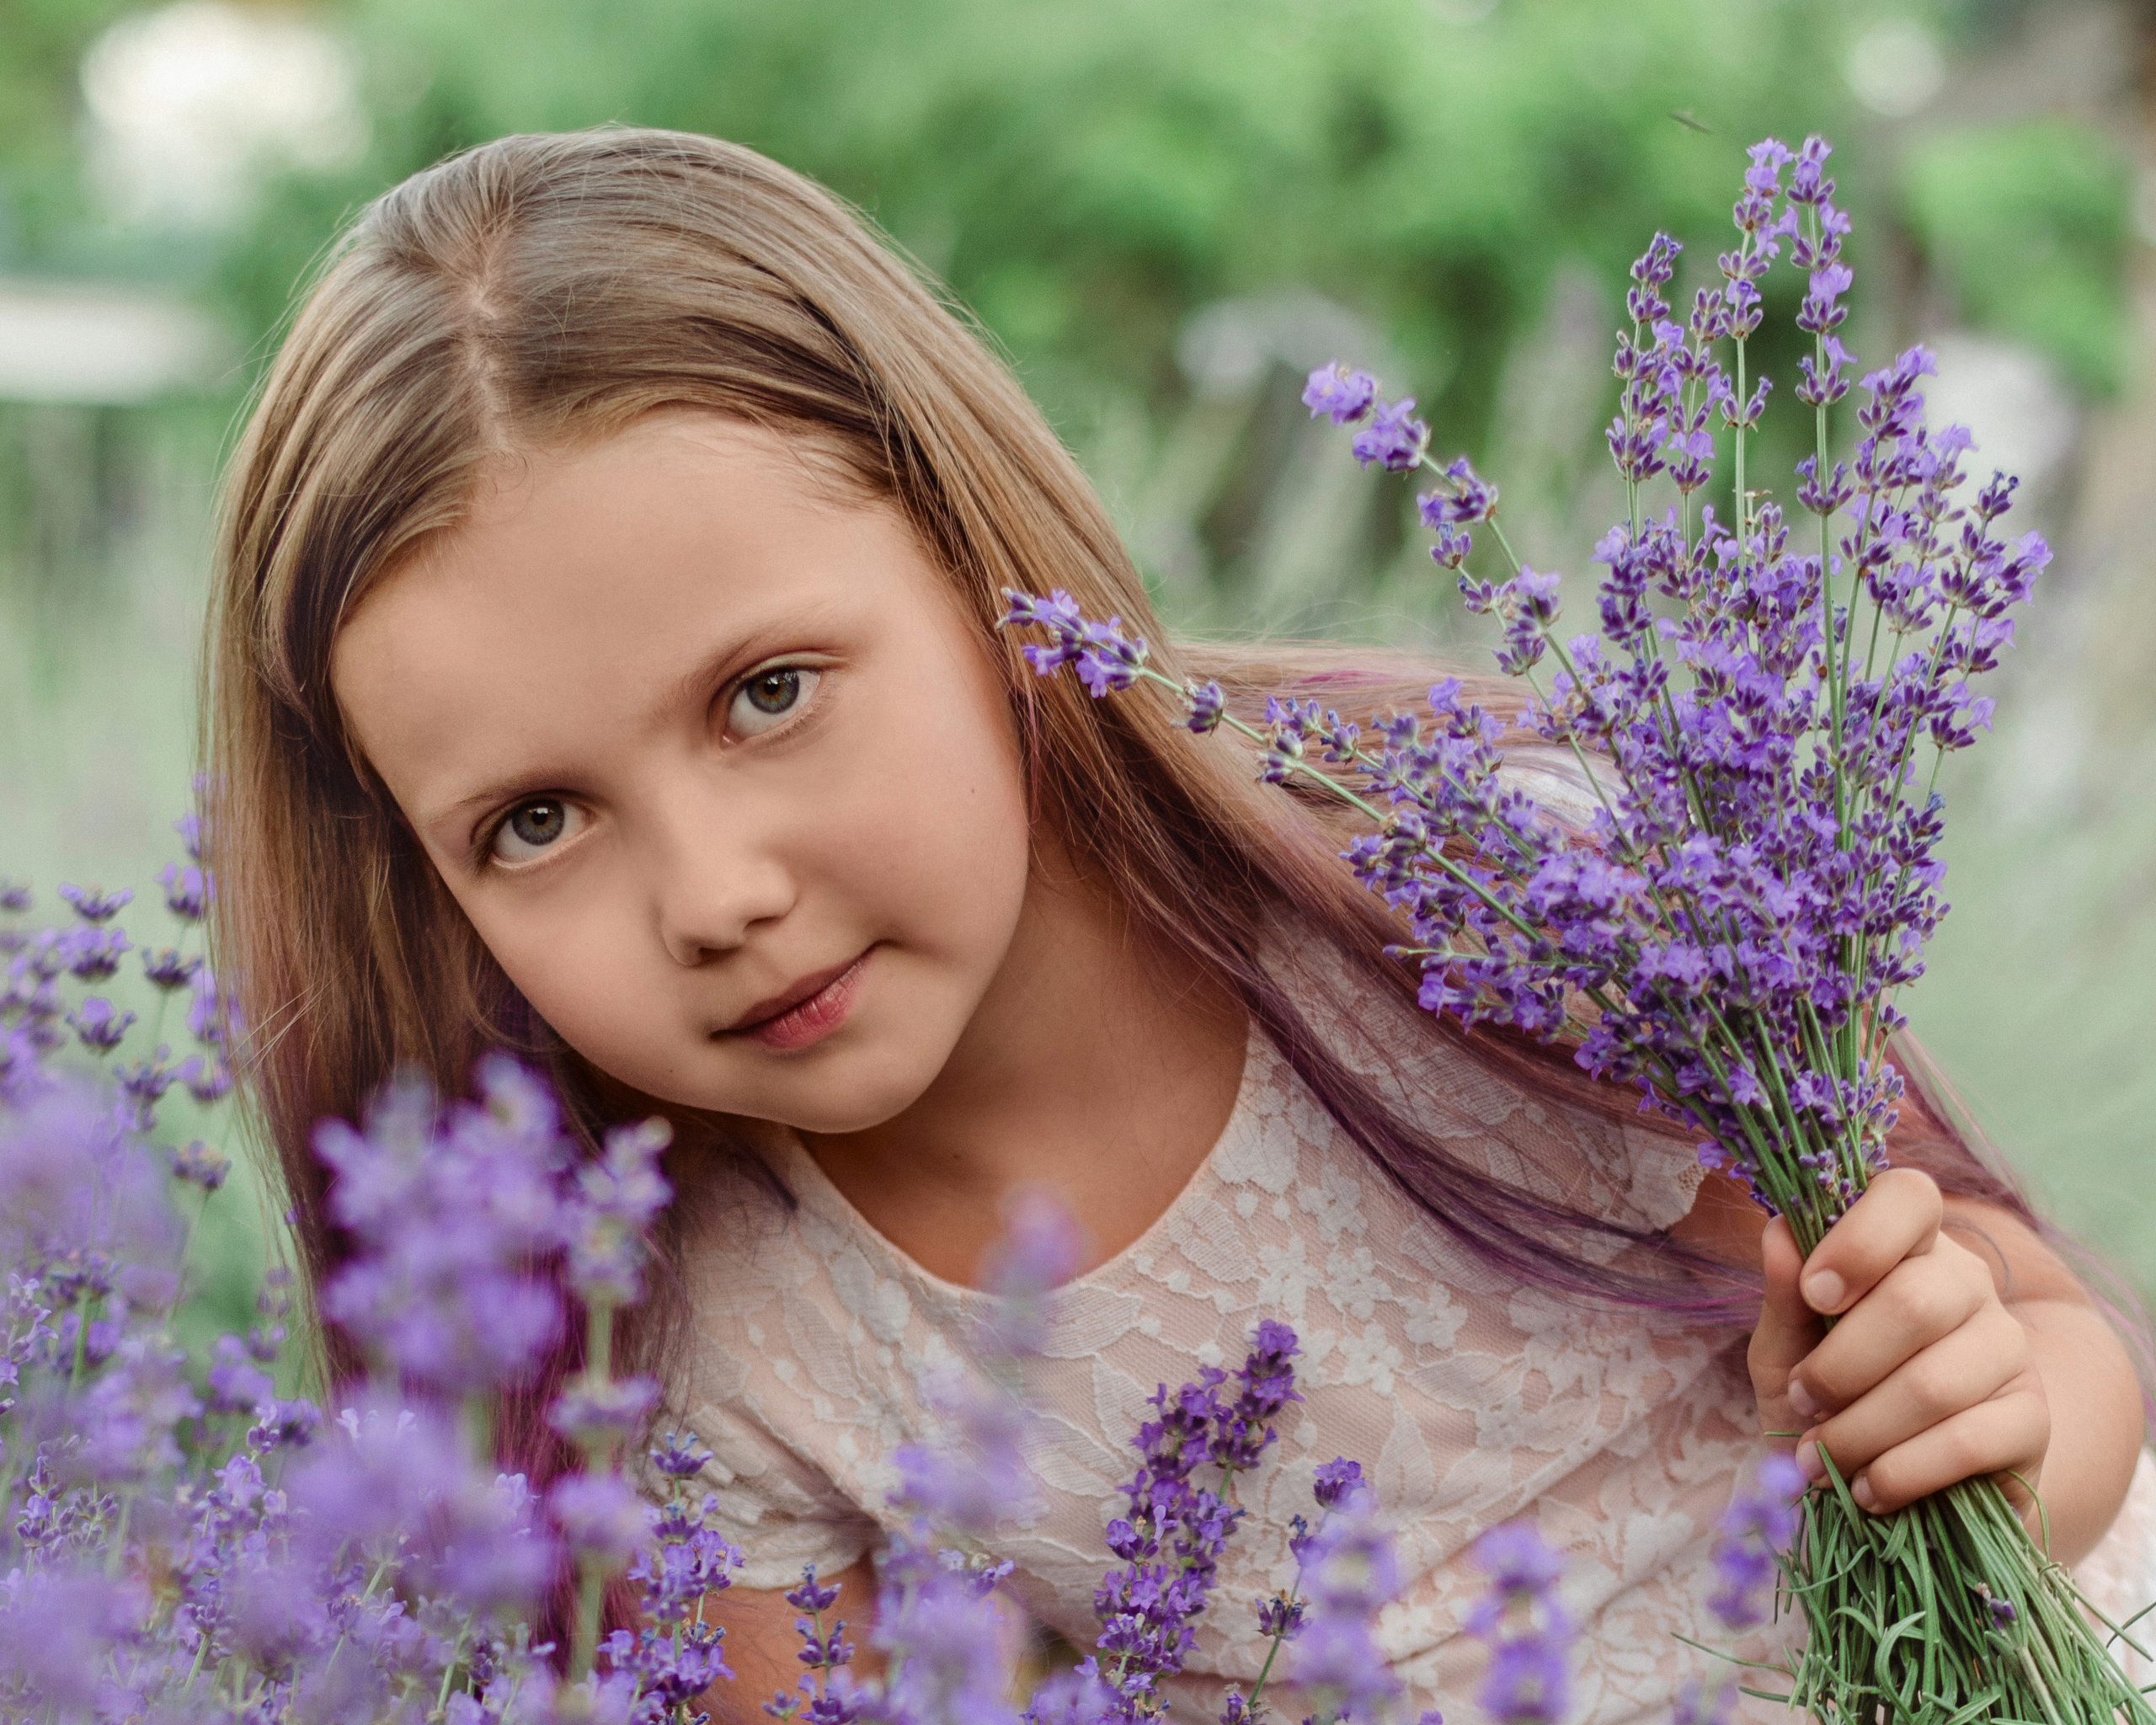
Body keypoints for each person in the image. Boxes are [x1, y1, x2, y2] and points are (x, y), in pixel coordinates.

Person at [204, 127, 2152, 1722]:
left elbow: (2032, 1356)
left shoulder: (1461, 898)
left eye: (768, 692)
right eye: (533, 820)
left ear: (981, 565)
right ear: (425, 889)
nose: (714, 896)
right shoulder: (713, 1339)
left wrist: (1972, 1427)